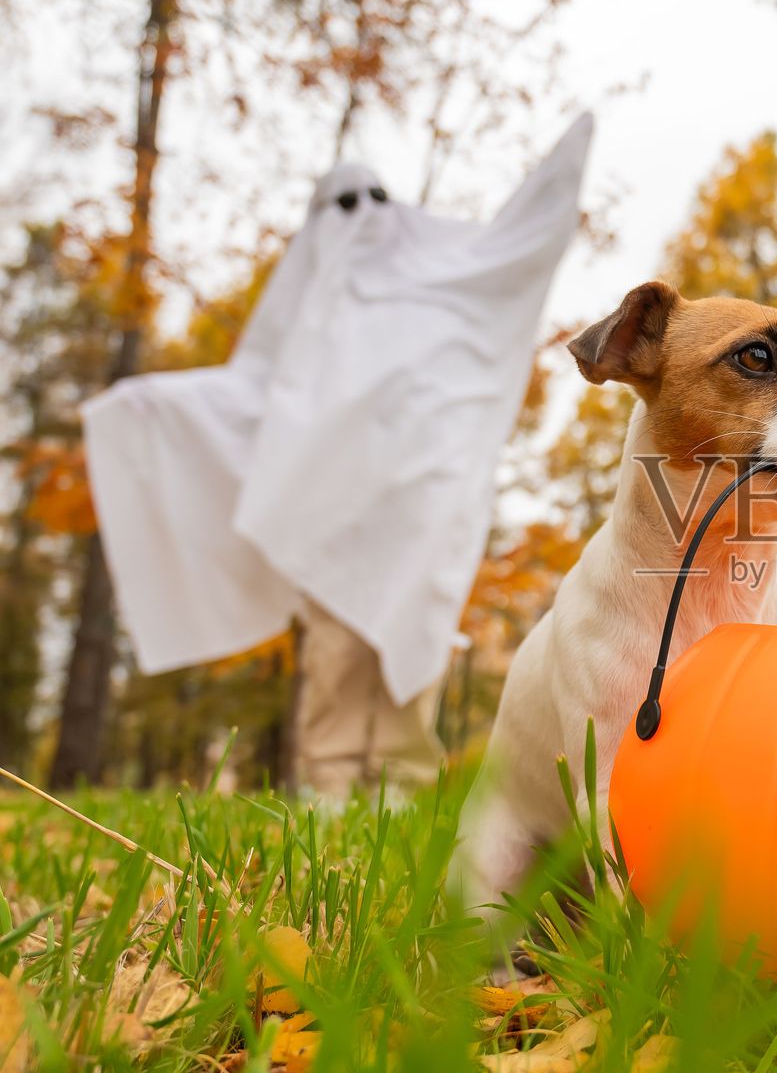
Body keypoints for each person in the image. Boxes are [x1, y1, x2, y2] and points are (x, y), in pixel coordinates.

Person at [83, 116, 593, 793]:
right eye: (344, 204)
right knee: (338, 649)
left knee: (411, 637)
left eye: (373, 199)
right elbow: (251, 397)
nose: (361, 217)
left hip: (418, 511)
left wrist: (559, 174)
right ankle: (330, 783)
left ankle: (400, 787)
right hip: (334, 518)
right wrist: (151, 406)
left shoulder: (436, 295)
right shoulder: (307, 315)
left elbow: (510, 259)